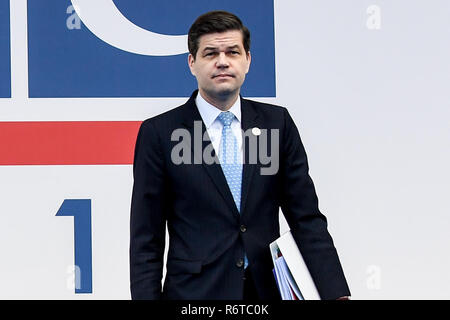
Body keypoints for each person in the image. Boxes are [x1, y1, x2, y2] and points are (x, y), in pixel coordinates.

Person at [130, 10, 350, 300]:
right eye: (210, 53)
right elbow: (147, 236)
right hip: (194, 295)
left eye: (232, 51)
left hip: (267, 291)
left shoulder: (277, 124)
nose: (222, 61)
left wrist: (336, 294)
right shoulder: (160, 133)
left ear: (247, 59)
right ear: (192, 63)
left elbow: (306, 218)